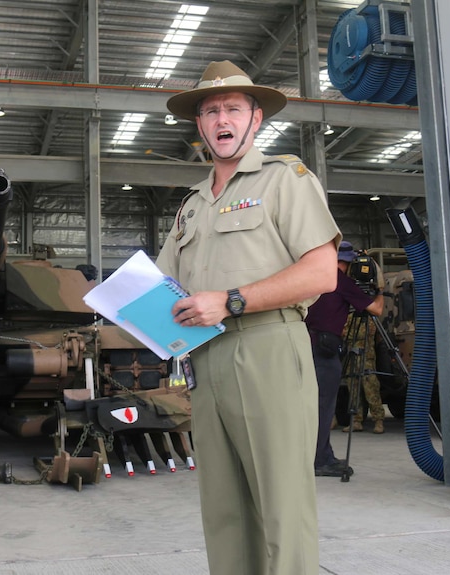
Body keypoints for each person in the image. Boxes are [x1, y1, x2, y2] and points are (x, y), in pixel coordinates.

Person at [155, 61, 341, 575]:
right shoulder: (191, 205)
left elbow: (322, 273)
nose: (222, 118)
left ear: (255, 119)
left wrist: (232, 300)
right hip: (204, 357)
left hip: (268, 349)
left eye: (233, 108)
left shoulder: (286, 180)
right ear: (200, 125)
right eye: (211, 110)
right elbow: (161, 287)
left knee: (282, 506)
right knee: (224, 510)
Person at [305, 241, 384, 477]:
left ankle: (322, 454)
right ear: (348, 263)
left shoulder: (313, 278)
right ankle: (319, 460)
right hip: (324, 349)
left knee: (312, 405)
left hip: (305, 344)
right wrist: (379, 291)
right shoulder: (340, 280)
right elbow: (376, 309)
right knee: (323, 405)